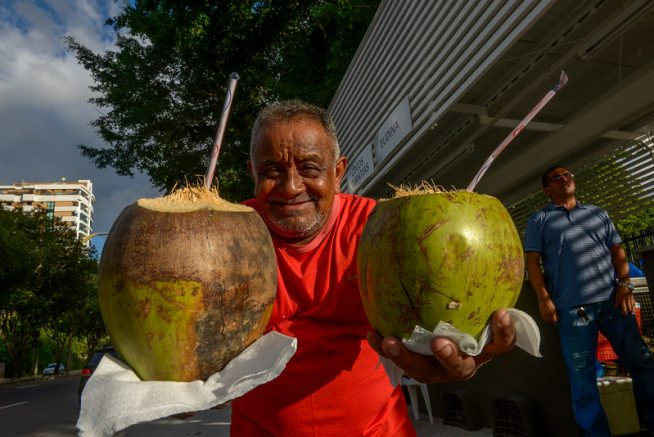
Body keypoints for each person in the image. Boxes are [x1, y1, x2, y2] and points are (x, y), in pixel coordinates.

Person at [230, 100, 517, 436]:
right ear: (253, 173)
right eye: (272, 171)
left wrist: (467, 353)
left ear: (338, 172)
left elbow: (442, 316)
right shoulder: (223, 238)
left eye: (309, 169)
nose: (291, 187)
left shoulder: (384, 232)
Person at [524, 165, 654, 437]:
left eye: (568, 174)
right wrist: (543, 299)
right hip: (572, 309)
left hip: (613, 303)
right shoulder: (539, 221)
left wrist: (625, 286)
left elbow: (617, 252)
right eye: (555, 178)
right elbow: (533, 263)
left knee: (641, 360)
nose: (564, 179)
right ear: (546, 189)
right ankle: (596, 433)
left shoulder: (598, 214)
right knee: (582, 378)